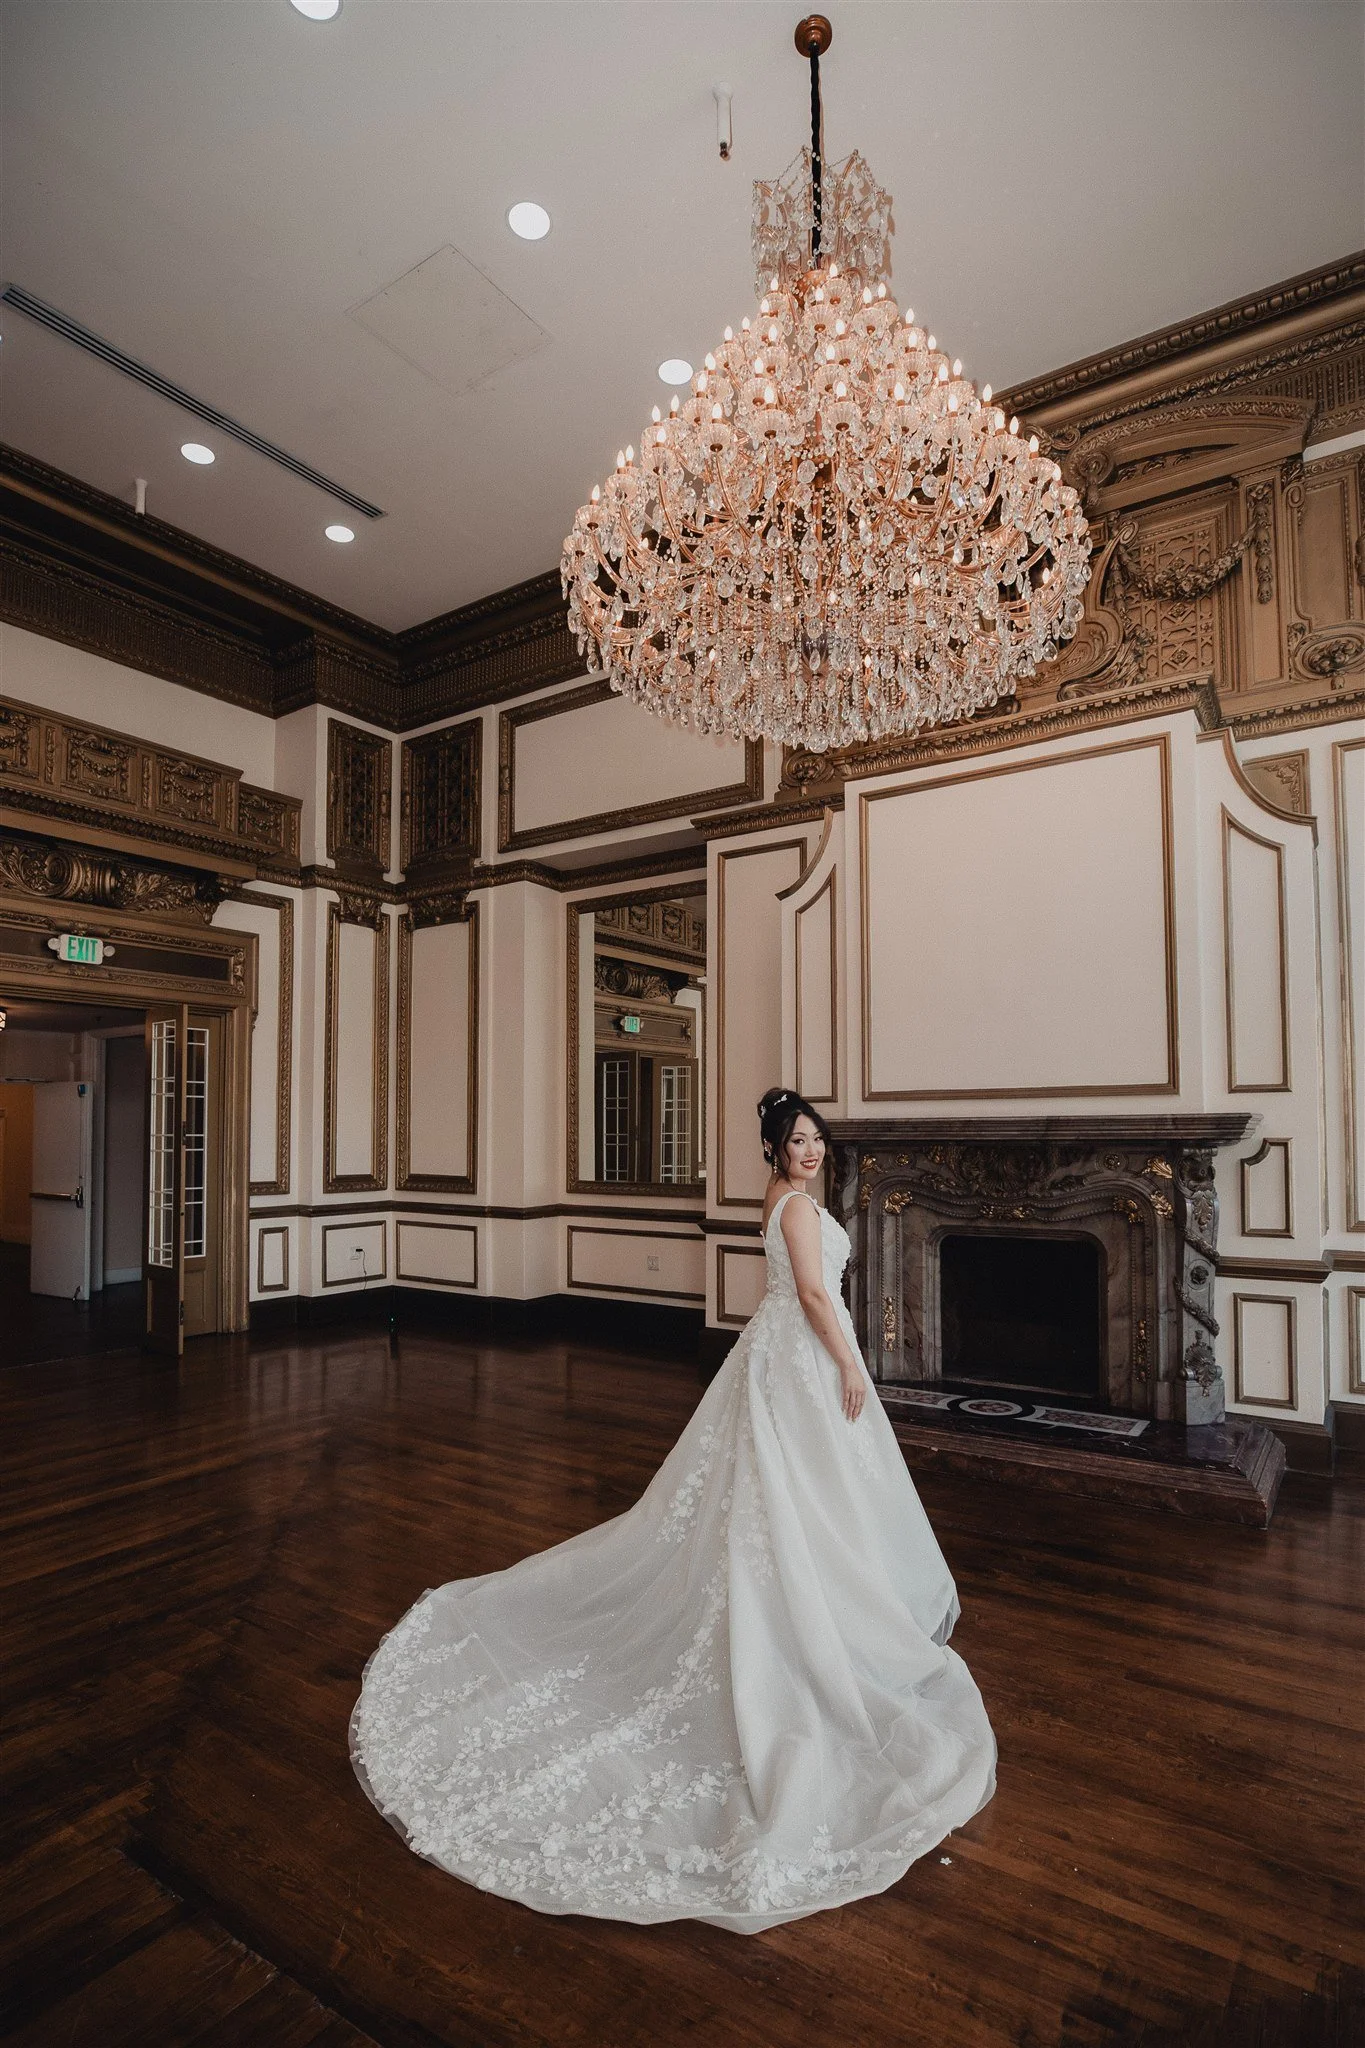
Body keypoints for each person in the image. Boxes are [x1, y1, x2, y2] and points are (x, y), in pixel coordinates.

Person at [350, 1086, 996, 1933]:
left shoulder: (778, 1199)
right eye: (796, 1140)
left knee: (782, 1495)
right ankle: (811, 1616)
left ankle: (812, 1591)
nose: (809, 1150)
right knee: (802, 1493)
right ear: (774, 1150)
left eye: (816, 1139)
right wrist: (847, 1362)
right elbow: (809, 1295)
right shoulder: (798, 1208)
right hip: (799, 1355)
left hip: (771, 1358)